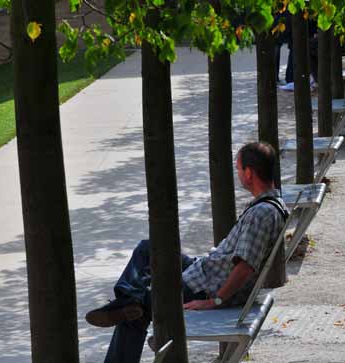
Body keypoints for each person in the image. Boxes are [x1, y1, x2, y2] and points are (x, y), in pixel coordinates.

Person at [85, 142, 288, 363]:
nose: (237, 173)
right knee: (148, 249)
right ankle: (128, 298)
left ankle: (129, 303)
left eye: (238, 168)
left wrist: (215, 301)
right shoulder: (270, 205)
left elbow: (245, 267)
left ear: (249, 173)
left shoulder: (262, 213)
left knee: (137, 310)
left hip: (204, 287)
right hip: (204, 272)